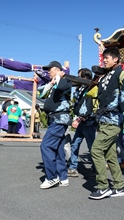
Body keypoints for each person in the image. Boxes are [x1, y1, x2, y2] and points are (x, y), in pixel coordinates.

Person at [89, 48, 124, 200]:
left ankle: (103, 187)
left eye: (108, 57)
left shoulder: (122, 74)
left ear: (116, 59)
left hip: (113, 121)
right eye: (104, 58)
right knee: (111, 156)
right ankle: (119, 186)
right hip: (104, 121)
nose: (104, 60)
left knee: (96, 150)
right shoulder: (105, 77)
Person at [38, 60, 72, 189]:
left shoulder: (65, 80)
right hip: (54, 119)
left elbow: (63, 87)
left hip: (59, 119)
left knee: (46, 146)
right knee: (58, 149)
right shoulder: (54, 82)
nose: (48, 72)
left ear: (57, 69)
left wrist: (59, 77)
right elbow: (42, 94)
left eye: (50, 69)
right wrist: (52, 82)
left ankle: (51, 177)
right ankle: (63, 177)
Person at [67, 68, 97, 178]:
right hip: (81, 123)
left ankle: (96, 169)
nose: (78, 78)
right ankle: (73, 167)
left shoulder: (90, 89)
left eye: (80, 76)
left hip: (88, 122)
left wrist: (78, 119)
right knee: (74, 145)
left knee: (92, 148)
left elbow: (87, 108)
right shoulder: (80, 89)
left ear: (85, 77)